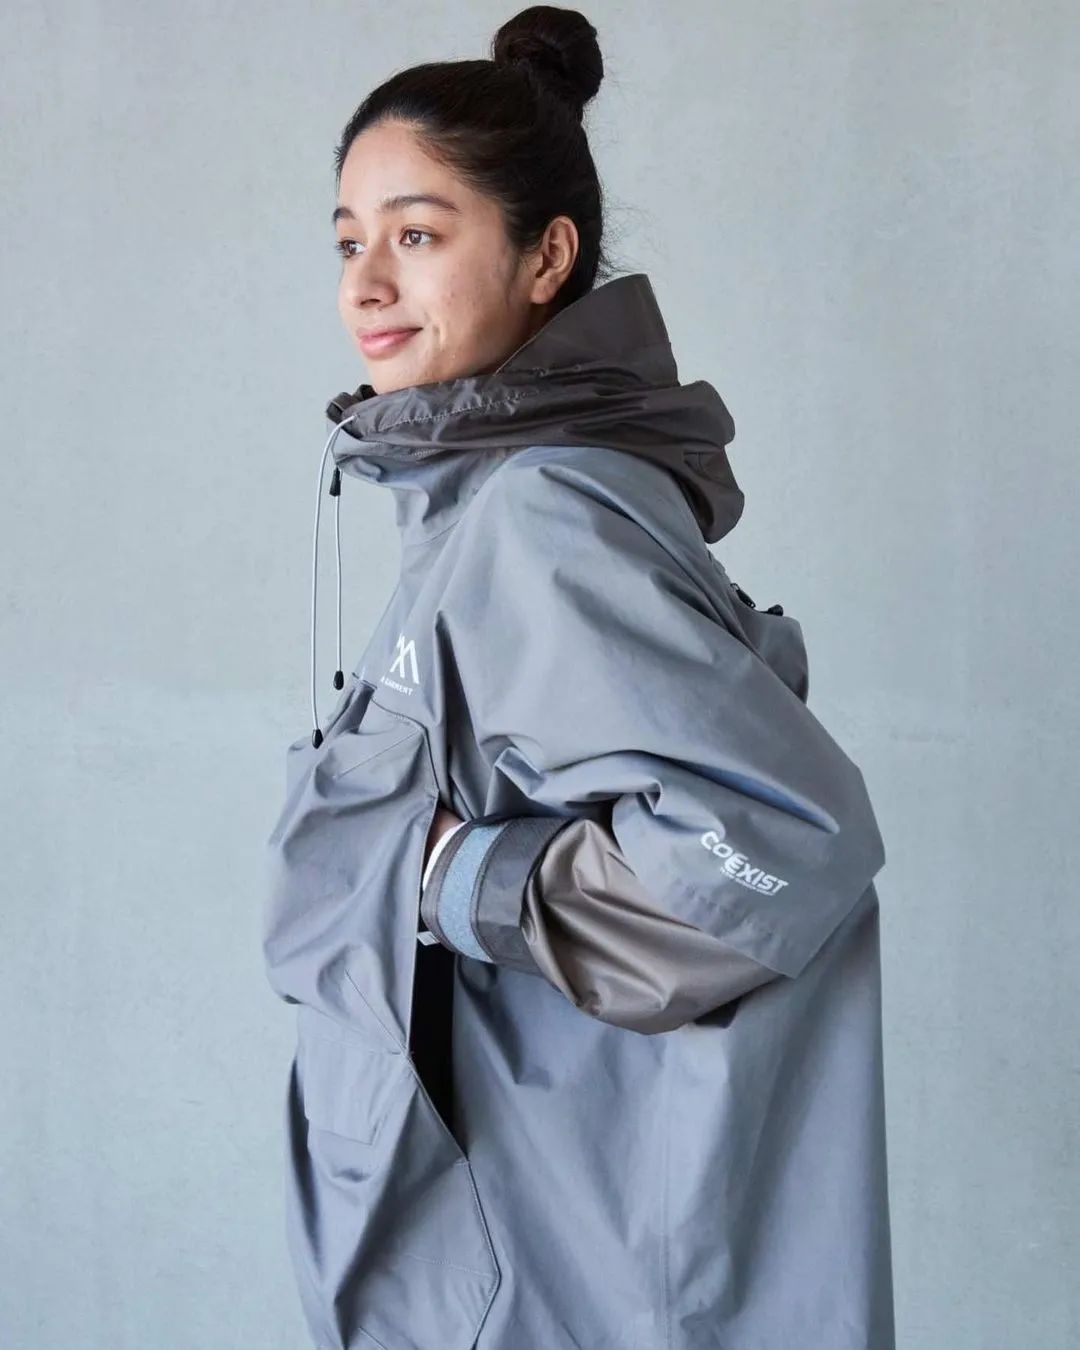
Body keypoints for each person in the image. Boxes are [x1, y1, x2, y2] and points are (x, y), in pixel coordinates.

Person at [262, 6, 895, 1349]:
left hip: (562, 1271)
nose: (365, 285)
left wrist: (452, 876)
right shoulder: (480, 505)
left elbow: (781, 845)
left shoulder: (541, 517)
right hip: (524, 1244)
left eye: (417, 236)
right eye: (349, 241)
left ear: (546, 257)